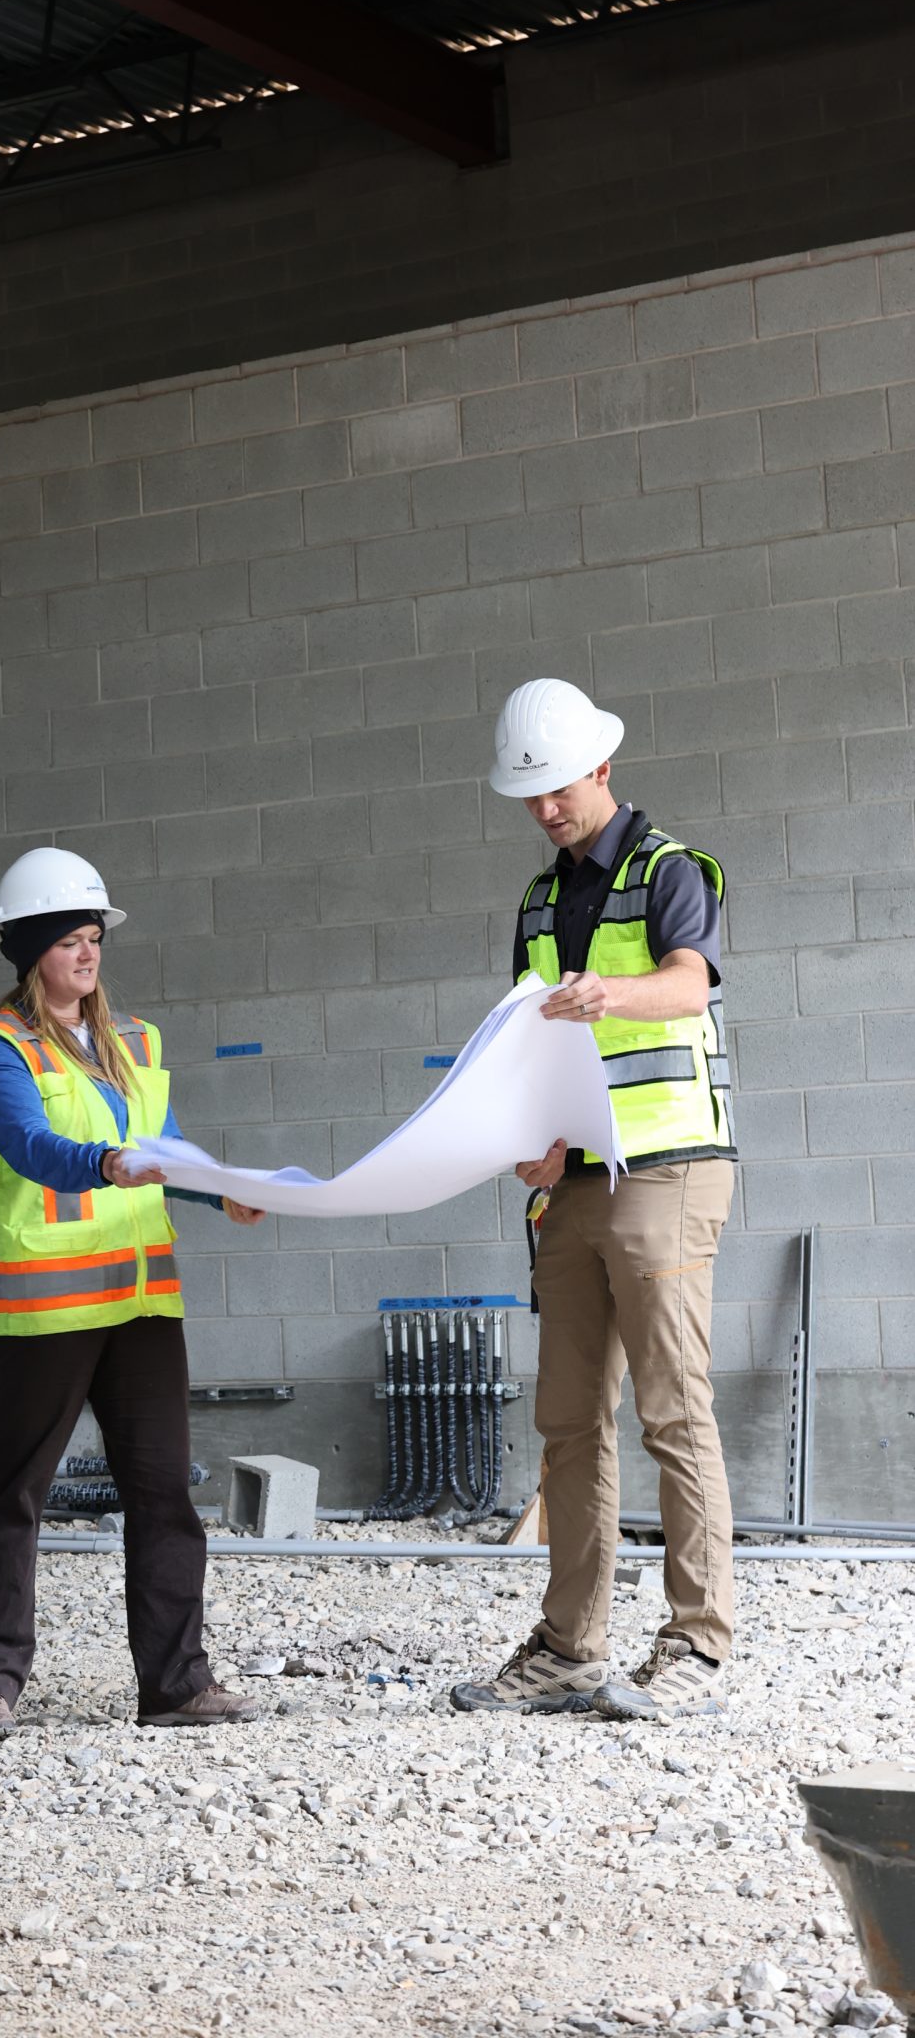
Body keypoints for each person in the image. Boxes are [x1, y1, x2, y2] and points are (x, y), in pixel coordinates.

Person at [452, 680, 737, 1723]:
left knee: (672, 1409)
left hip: (665, 1172)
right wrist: (533, 1143)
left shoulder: (672, 871)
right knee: (568, 1422)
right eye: (526, 797)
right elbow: (531, 1048)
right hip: (571, 1187)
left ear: (601, 769)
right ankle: (571, 1648)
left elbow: (689, 985)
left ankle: (697, 1648)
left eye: (555, 790)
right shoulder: (537, 900)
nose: (542, 811)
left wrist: (610, 992)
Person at [0, 846, 265, 1745]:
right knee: (15, 1494)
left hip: (141, 1304)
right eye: (71, 940)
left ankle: (175, 1684)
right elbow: (30, 1147)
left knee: (163, 1494)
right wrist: (106, 1162)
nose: (88, 955)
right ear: (31, 951)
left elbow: (161, 1151)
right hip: (45, 1308)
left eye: (93, 938)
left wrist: (217, 1187)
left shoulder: (136, 1044)